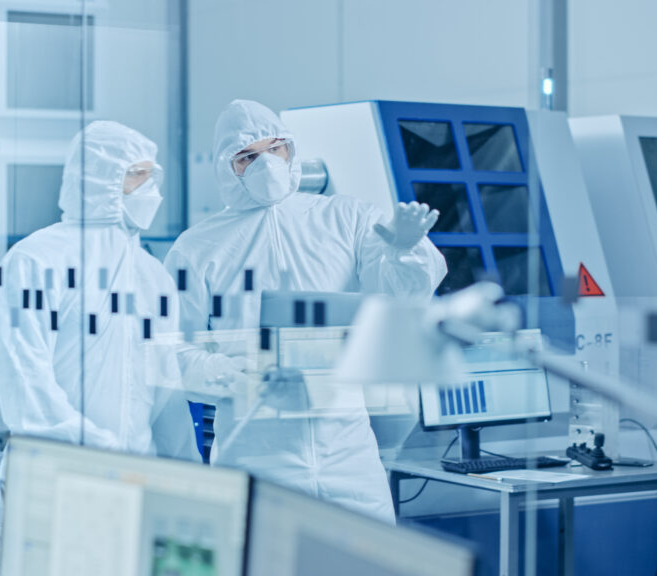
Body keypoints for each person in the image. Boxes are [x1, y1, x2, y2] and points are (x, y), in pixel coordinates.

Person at [164, 99, 447, 522]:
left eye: (274, 148)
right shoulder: (198, 247)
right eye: (247, 157)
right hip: (256, 456)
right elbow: (170, 349)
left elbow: (399, 299)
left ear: (291, 150)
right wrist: (230, 373)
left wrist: (405, 253)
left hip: (348, 454)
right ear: (227, 168)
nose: (266, 164)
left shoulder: (346, 218)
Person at [0, 121, 198, 462]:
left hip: (136, 471)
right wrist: (97, 449)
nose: (150, 189)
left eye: (152, 175)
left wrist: (184, 469)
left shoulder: (153, 275)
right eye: (136, 174)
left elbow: (167, 388)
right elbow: (26, 381)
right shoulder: (35, 260)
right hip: (59, 467)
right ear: (99, 179)